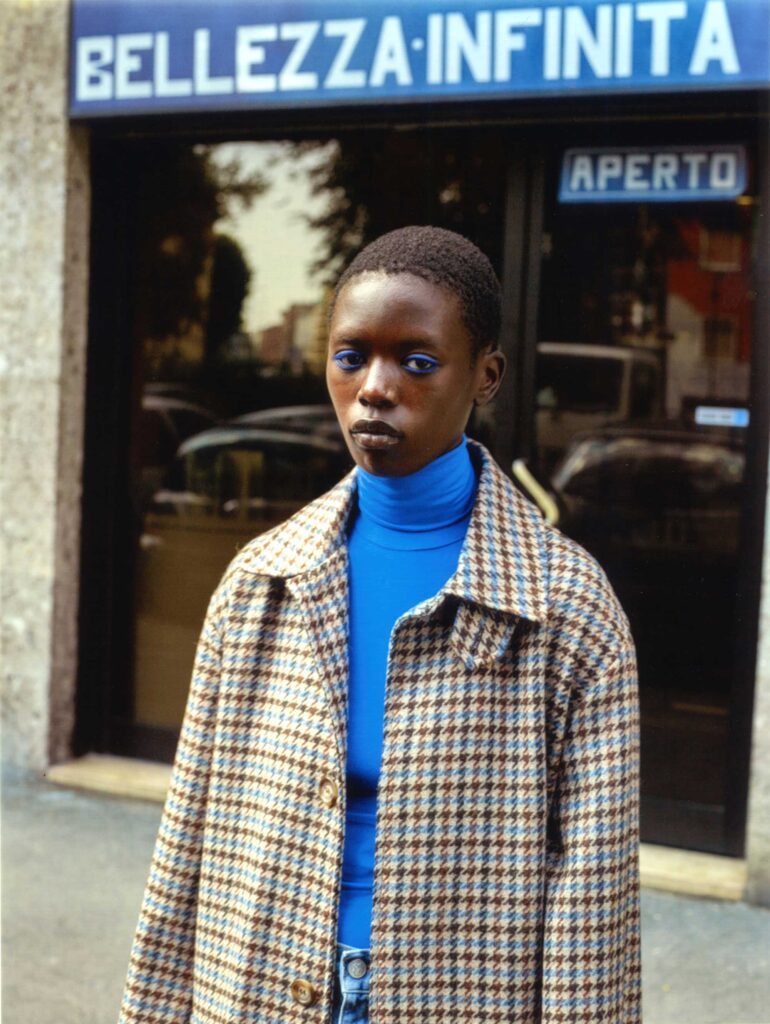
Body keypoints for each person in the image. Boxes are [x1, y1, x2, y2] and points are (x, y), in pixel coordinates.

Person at [119, 226, 640, 1024]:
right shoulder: (263, 581)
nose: (374, 385)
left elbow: (591, 909)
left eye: (418, 361)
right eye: (351, 354)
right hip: (257, 983)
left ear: (486, 376)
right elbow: (188, 838)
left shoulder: (566, 610)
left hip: (455, 1000)